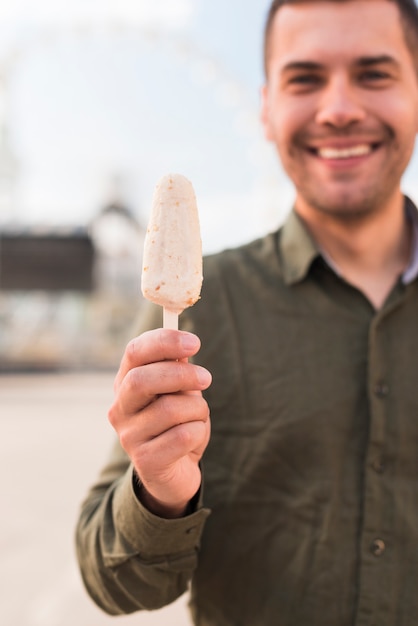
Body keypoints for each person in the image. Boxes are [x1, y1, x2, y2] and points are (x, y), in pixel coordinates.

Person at [75, 0, 418, 624]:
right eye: (304, 78)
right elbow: (111, 582)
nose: (339, 108)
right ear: (265, 108)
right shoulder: (200, 314)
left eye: (374, 73)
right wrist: (159, 494)